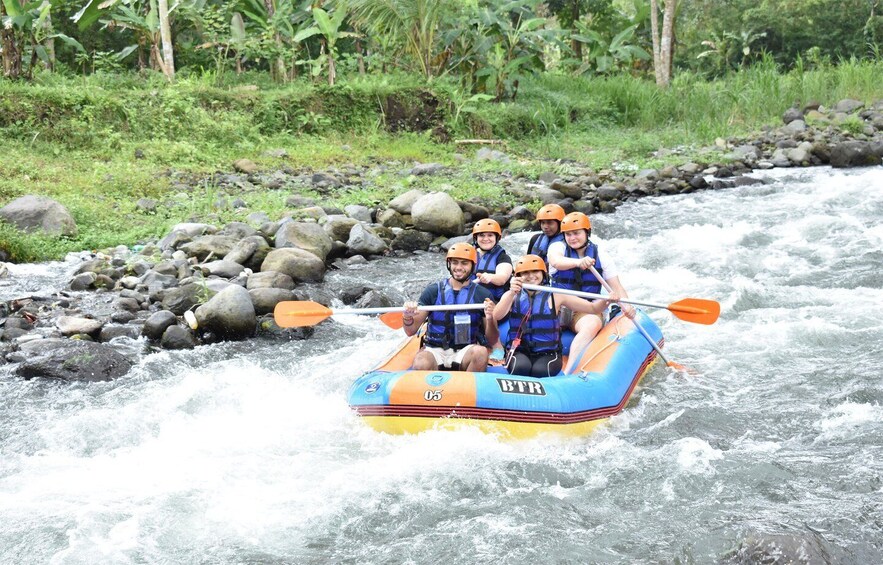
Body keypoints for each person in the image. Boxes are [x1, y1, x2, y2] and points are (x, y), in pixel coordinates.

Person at [494, 255, 613, 378]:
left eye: (535, 271)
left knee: (540, 371)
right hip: (519, 350)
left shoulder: (556, 295)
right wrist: (511, 292)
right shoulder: (511, 295)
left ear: (543, 273)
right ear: (517, 277)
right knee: (520, 368)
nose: (530, 276)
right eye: (525, 272)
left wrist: (608, 300)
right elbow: (497, 316)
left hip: (548, 353)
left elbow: (593, 308)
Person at [547, 212, 635, 371]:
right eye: (568, 234)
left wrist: (627, 306)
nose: (572, 238)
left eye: (576, 233)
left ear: (587, 233)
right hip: (559, 307)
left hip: (584, 310)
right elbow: (556, 261)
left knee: (592, 323)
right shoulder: (557, 247)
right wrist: (578, 262)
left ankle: (570, 371)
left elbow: (616, 287)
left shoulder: (602, 256)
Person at [402, 243, 499, 372]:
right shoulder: (433, 291)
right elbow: (410, 331)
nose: (458, 267)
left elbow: (492, 340)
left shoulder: (483, 294)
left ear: (473, 266)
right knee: (421, 362)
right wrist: (407, 316)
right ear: (449, 264)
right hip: (435, 349)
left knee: (481, 353)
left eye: (464, 263)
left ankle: (466, 389)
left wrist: (490, 317)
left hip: (465, 350)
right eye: (455, 262)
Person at [471, 218, 513, 363]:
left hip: (495, 302)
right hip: (471, 299)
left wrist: (490, 277)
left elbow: (502, 277)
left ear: (497, 238)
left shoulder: (502, 257)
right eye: (482, 235)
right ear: (476, 238)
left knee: (487, 306)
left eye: (490, 235)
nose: (486, 239)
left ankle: (498, 347)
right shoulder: (468, 254)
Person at [526, 203, 566, 268]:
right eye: (543, 223)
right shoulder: (535, 239)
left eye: (549, 223)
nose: (545, 227)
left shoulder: (569, 242)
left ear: (560, 223)